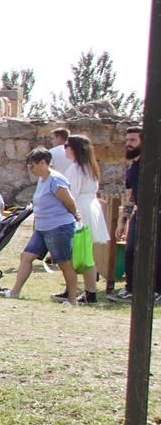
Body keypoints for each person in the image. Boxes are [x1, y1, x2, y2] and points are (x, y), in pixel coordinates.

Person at [1, 147, 83, 303]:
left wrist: (75, 215)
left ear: (43, 163)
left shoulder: (56, 180)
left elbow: (69, 201)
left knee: (65, 264)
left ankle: (72, 300)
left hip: (58, 227)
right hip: (42, 228)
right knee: (26, 256)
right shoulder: (41, 179)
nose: (30, 168)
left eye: (32, 165)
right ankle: (14, 292)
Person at [113, 124, 161, 302]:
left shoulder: (155, 164)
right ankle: (131, 289)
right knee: (131, 250)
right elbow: (132, 195)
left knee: (156, 254)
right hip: (140, 214)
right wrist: (122, 220)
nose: (128, 144)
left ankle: (157, 291)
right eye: (127, 140)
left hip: (158, 214)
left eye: (133, 140)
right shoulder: (133, 167)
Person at [64, 133, 110, 303]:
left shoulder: (76, 169)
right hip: (90, 207)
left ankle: (74, 290)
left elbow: (72, 193)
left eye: (67, 146)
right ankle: (88, 292)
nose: (65, 150)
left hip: (80, 209)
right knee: (85, 252)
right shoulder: (90, 168)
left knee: (75, 253)